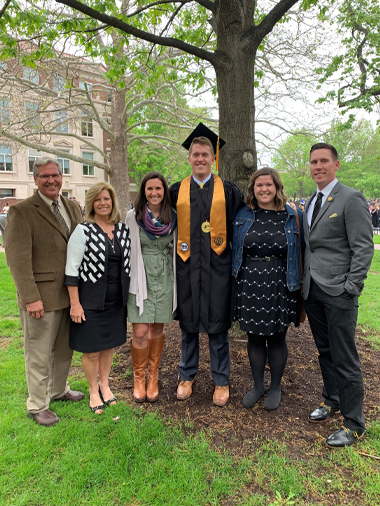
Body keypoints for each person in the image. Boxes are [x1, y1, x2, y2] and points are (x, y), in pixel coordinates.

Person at [5, 157, 84, 427]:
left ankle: (59, 390)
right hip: (40, 297)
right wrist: (30, 298)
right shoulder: (22, 211)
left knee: (63, 349)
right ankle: (37, 405)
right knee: (38, 353)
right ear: (35, 180)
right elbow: (17, 260)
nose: (51, 180)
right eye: (45, 176)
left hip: (69, 295)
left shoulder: (72, 207)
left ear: (62, 177)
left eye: (55, 175)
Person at [303, 142, 374, 448]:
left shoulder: (351, 198)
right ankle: (331, 400)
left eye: (323, 161)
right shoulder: (310, 201)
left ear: (336, 164)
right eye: (313, 162)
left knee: (345, 357)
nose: (318, 166)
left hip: (339, 292)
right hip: (313, 291)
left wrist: (351, 287)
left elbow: (363, 247)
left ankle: (354, 423)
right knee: (325, 351)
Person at [170, 123, 244, 407]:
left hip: (218, 271)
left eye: (205, 155)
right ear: (189, 158)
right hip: (187, 268)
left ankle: (221, 381)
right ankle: (186, 376)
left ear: (213, 158)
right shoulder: (177, 191)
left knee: (217, 327)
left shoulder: (229, 191)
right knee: (188, 326)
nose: (200, 159)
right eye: (195, 154)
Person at [232, 168, 304, 411]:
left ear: (277, 187)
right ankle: (257, 385)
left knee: (276, 338)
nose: (264, 189)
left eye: (269, 185)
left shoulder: (292, 215)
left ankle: (275, 386)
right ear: (252, 188)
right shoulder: (243, 213)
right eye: (259, 185)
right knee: (253, 336)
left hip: (279, 282)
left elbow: (302, 250)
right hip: (249, 280)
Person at [65, 182, 130, 414]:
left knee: (108, 346)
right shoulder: (83, 230)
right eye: (98, 199)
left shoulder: (122, 229)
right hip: (90, 300)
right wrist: (75, 303)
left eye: (107, 199)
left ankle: (105, 385)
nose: (103, 203)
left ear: (113, 201)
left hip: (115, 301)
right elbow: (71, 271)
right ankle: (93, 390)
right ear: (92, 203)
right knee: (92, 350)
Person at [126, 172, 177, 403]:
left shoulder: (173, 217)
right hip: (141, 276)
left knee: (157, 329)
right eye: (150, 189)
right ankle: (139, 378)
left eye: (158, 189)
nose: (154, 193)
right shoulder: (132, 217)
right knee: (140, 331)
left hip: (165, 277)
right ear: (143, 192)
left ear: (164, 191)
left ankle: (153, 377)